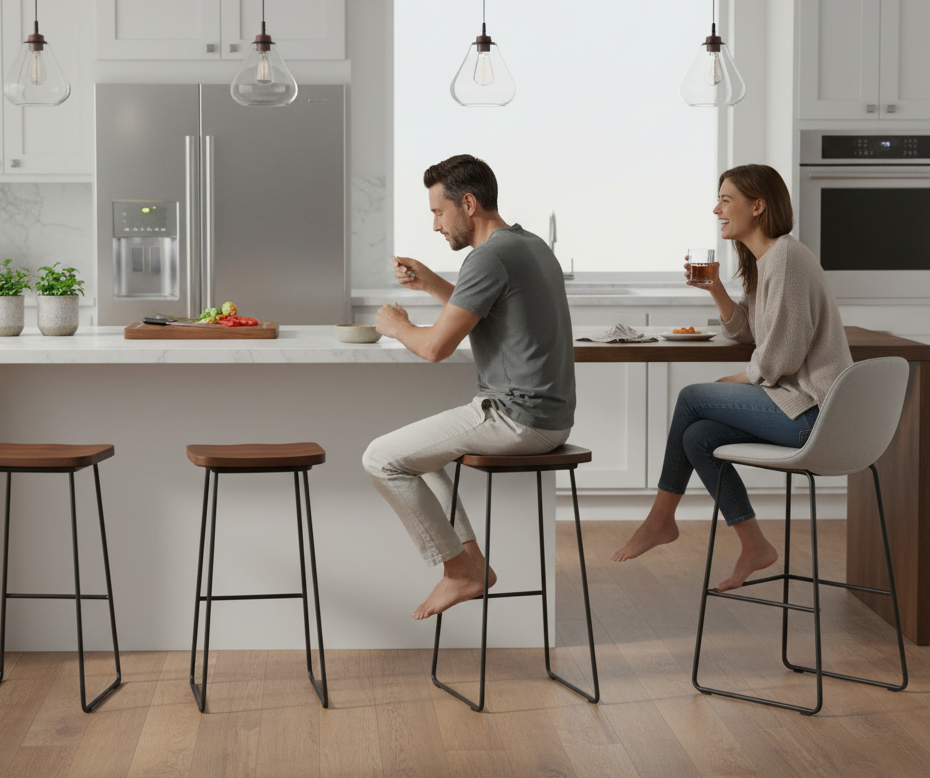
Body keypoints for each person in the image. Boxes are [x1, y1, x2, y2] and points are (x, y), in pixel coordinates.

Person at [611, 164, 852, 591]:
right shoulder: (766, 262)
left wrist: (743, 377)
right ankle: (754, 544)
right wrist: (717, 290)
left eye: (726, 199)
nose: (716, 208)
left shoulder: (786, 259)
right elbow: (746, 331)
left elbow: (783, 354)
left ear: (758, 206)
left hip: (815, 415)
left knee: (691, 397)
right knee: (698, 436)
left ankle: (659, 520)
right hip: (797, 406)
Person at [363, 154, 576, 620]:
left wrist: (396, 325)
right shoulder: (528, 244)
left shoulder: (488, 257)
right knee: (420, 457)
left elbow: (436, 347)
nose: (437, 226)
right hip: (550, 419)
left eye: (439, 212)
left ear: (469, 203)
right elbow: (489, 309)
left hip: (515, 418)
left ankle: (461, 570)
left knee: (380, 458)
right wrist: (431, 283)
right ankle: (469, 565)